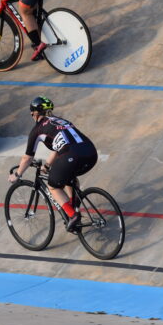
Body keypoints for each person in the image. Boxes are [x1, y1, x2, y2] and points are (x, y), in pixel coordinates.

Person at [9, 97, 97, 232]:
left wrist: (17, 174)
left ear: (35, 113)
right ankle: (74, 205)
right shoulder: (61, 121)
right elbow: (58, 147)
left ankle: (73, 215)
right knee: (68, 177)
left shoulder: (37, 129)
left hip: (73, 156)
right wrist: (47, 165)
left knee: (53, 186)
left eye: (32, 114)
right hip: (91, 153)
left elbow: (27, 157)